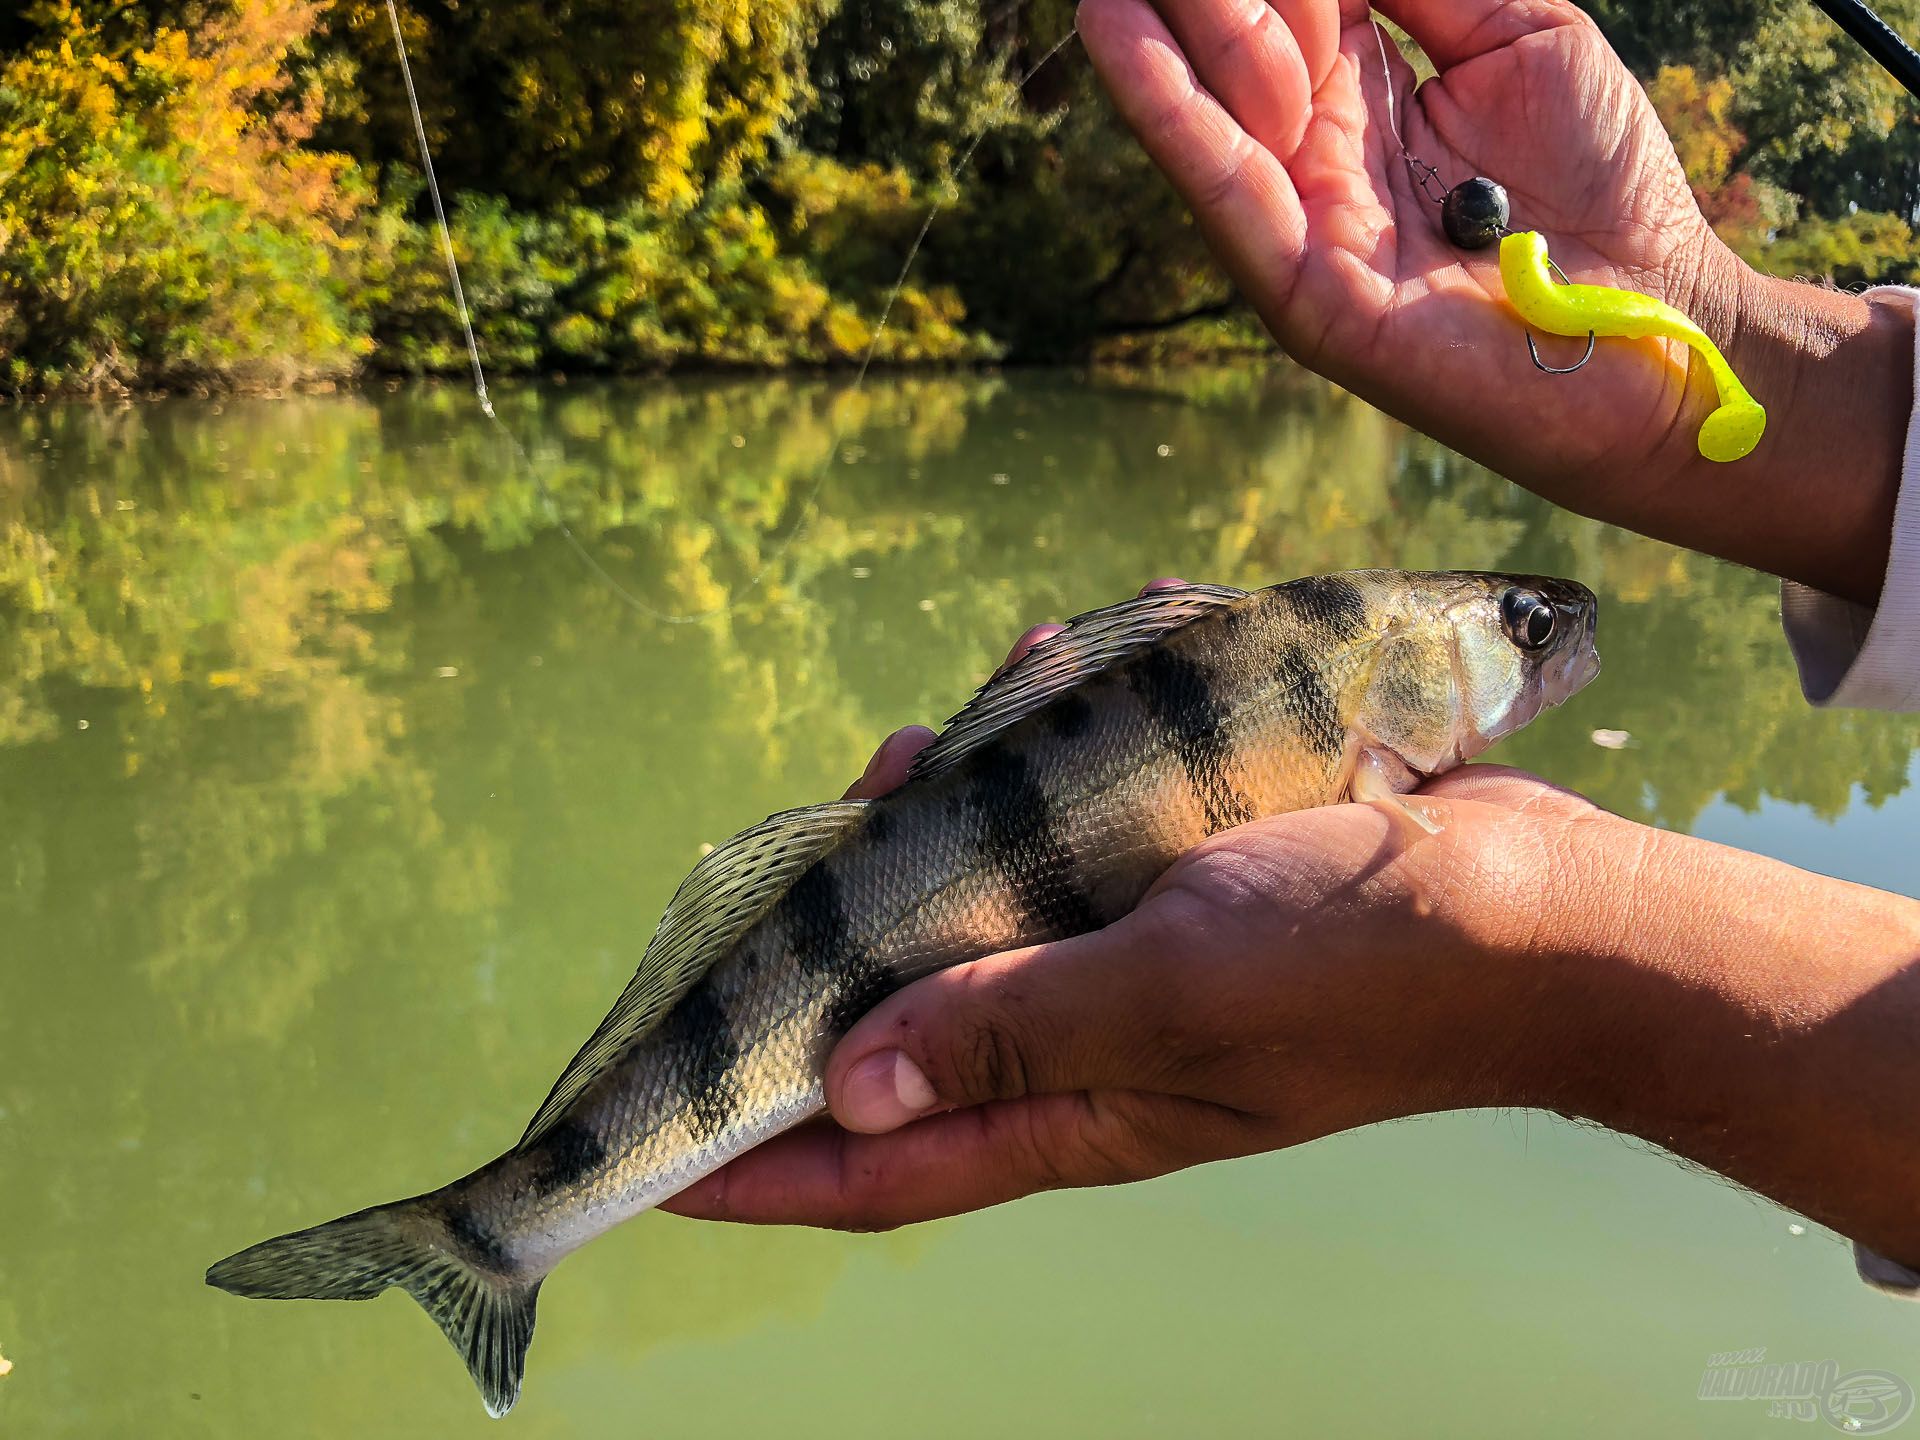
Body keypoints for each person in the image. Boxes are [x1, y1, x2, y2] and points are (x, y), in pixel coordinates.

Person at [663, 0, 1920, 1286]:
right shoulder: (1377, 723)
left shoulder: (1379, 711)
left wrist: (1553, 961)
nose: (1553, 634)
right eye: (1523, 629)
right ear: (1407, 675)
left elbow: (1471, 918)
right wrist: (1708, 327)